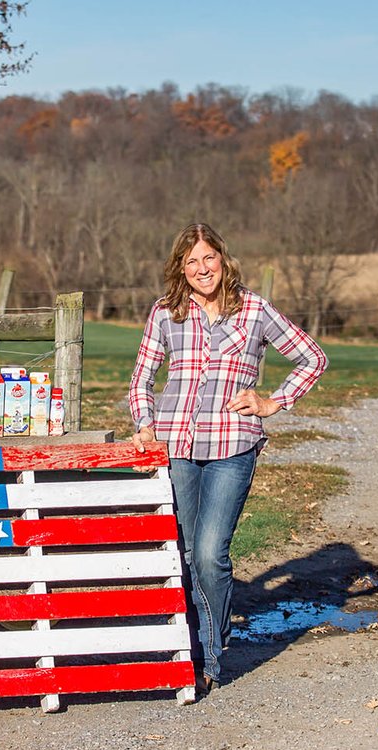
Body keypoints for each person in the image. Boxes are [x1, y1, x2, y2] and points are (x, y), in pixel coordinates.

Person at [129, 222, 328, 691]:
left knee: (209, 551)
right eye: (191, 261)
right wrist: (144, 422)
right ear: (182, 268)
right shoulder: (166, 313)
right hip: (176, 446)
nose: (202, 269)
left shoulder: (254, 309)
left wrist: (273, 402)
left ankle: (211, 653)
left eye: (209, 258)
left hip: (233, 445)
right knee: (179, 551)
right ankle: (189, 647)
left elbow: (312, 357)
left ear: (223, 258)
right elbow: (142, 379)